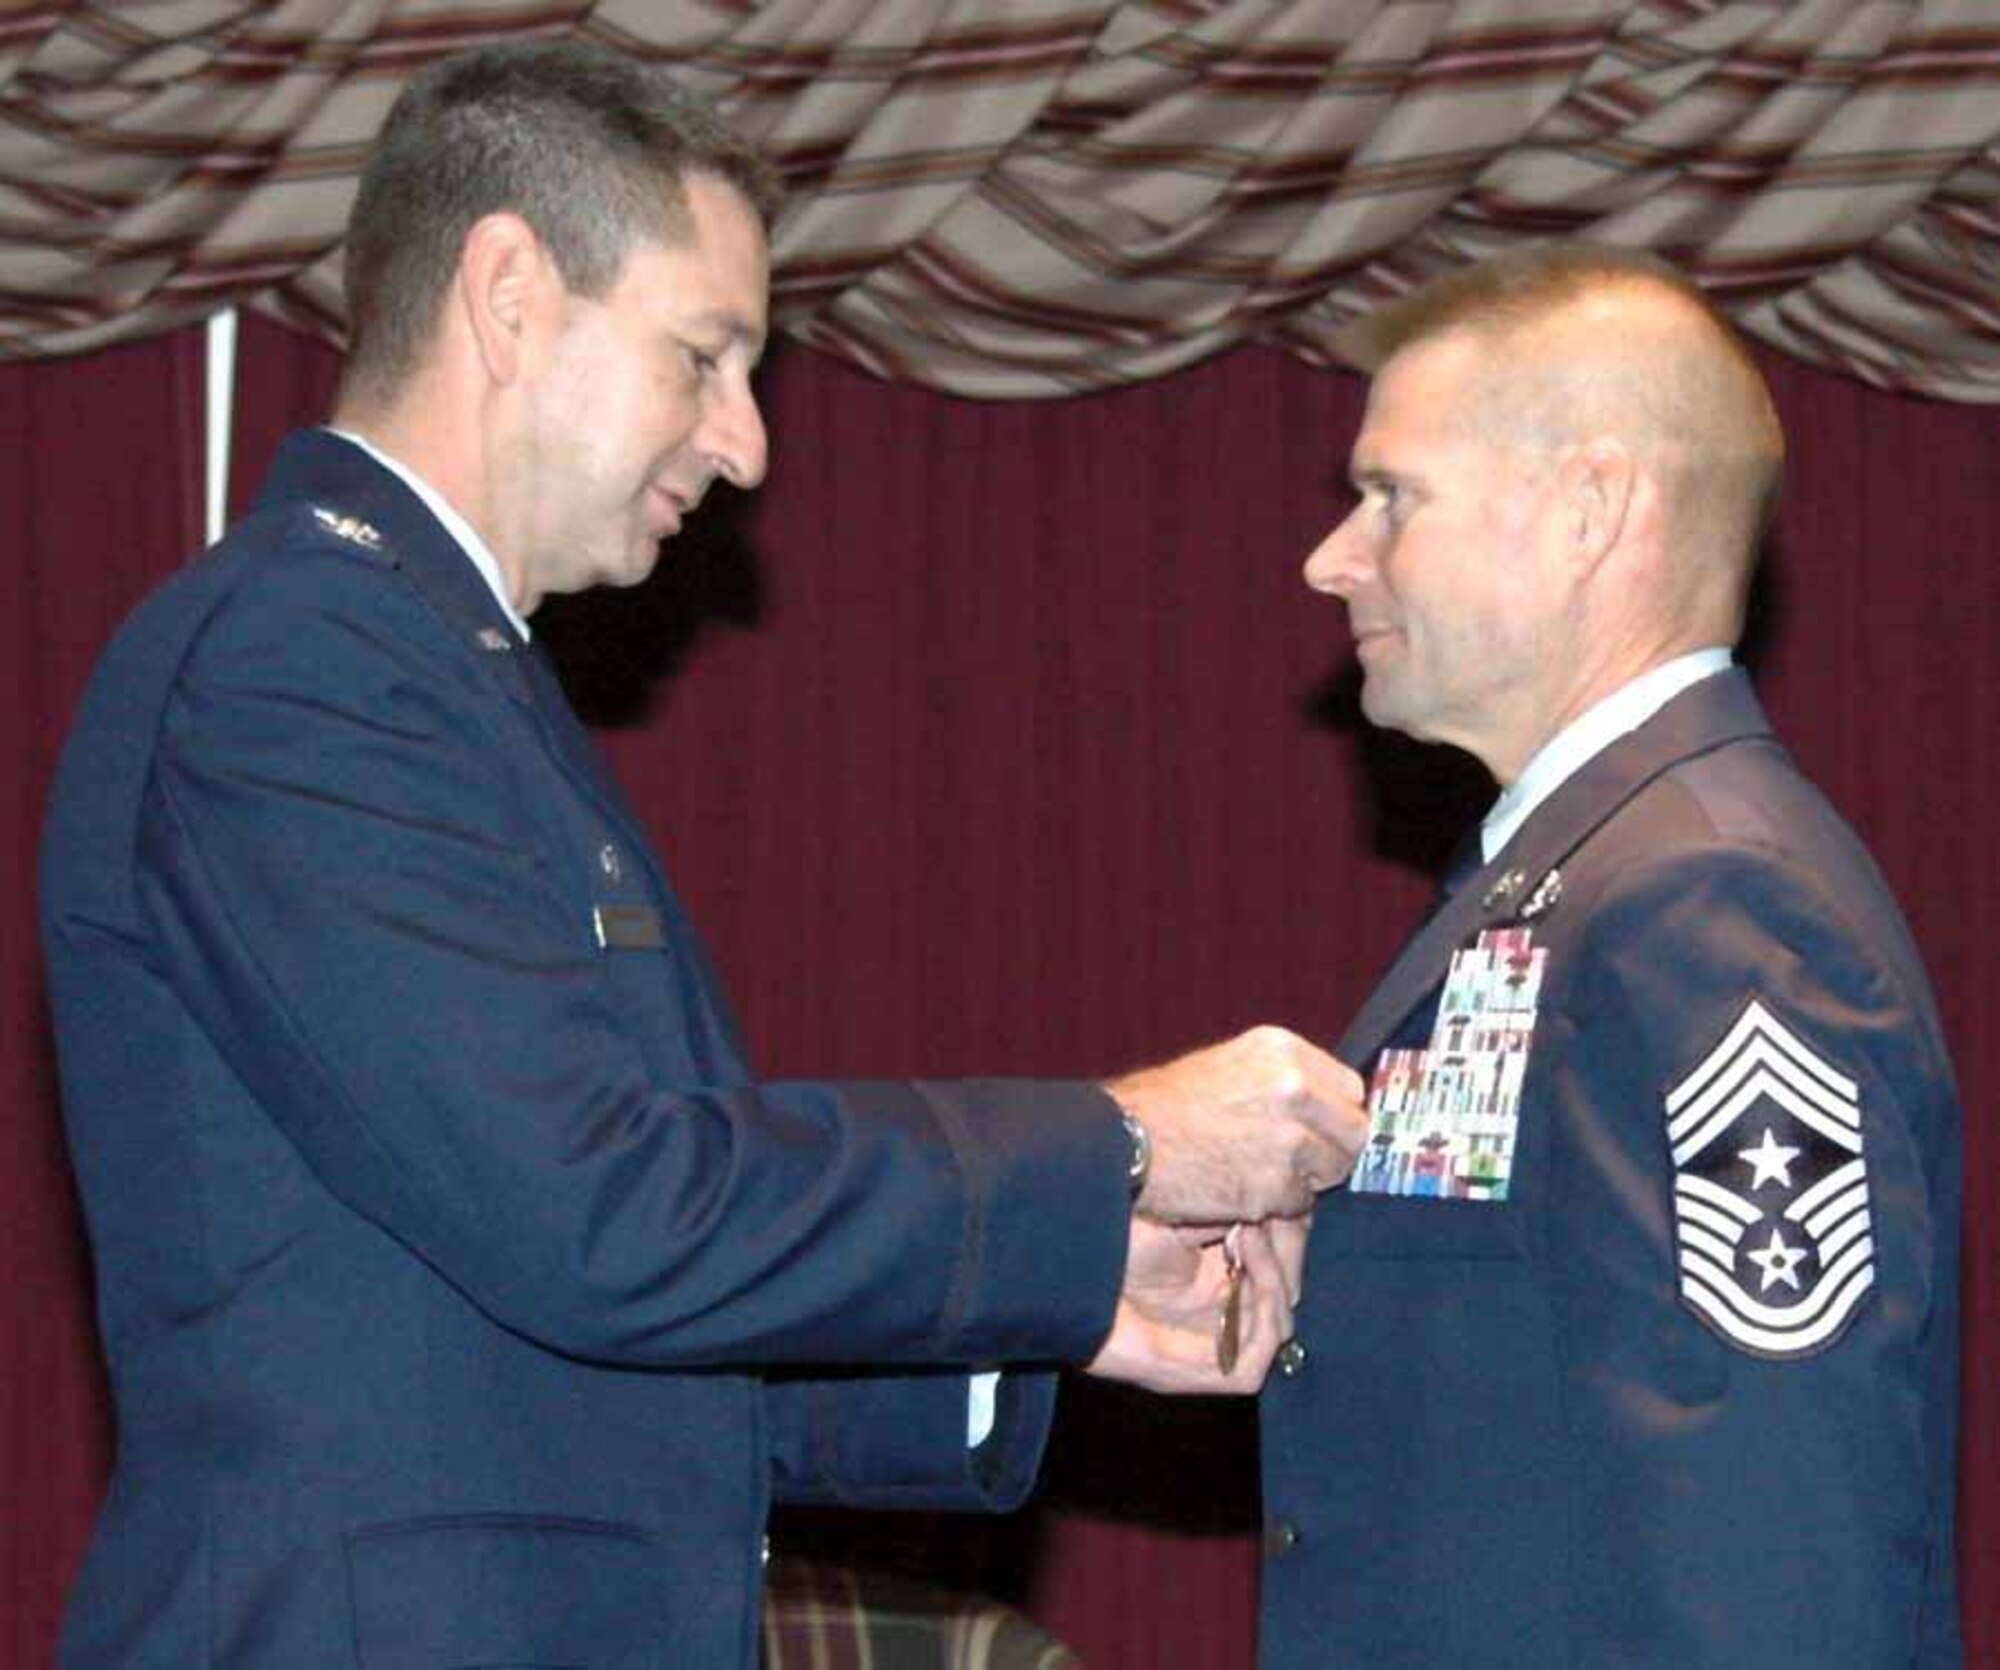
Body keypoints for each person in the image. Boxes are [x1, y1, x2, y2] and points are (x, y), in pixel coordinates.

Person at [37, 42, 1365, 1670]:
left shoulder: (440, 671)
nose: (745, 443)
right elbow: (606, 1217)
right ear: (511, 295)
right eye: (704, 356)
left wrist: (1073, 1299)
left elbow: (580, 1328)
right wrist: (1120, 1147)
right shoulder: (302, 661)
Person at [1258, 245, 1963, 1667]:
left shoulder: (1710, 906)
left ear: (1589, 508)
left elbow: (1780, 1539)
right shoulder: (1580, 872)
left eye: (1392, 495)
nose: (1333, 555)